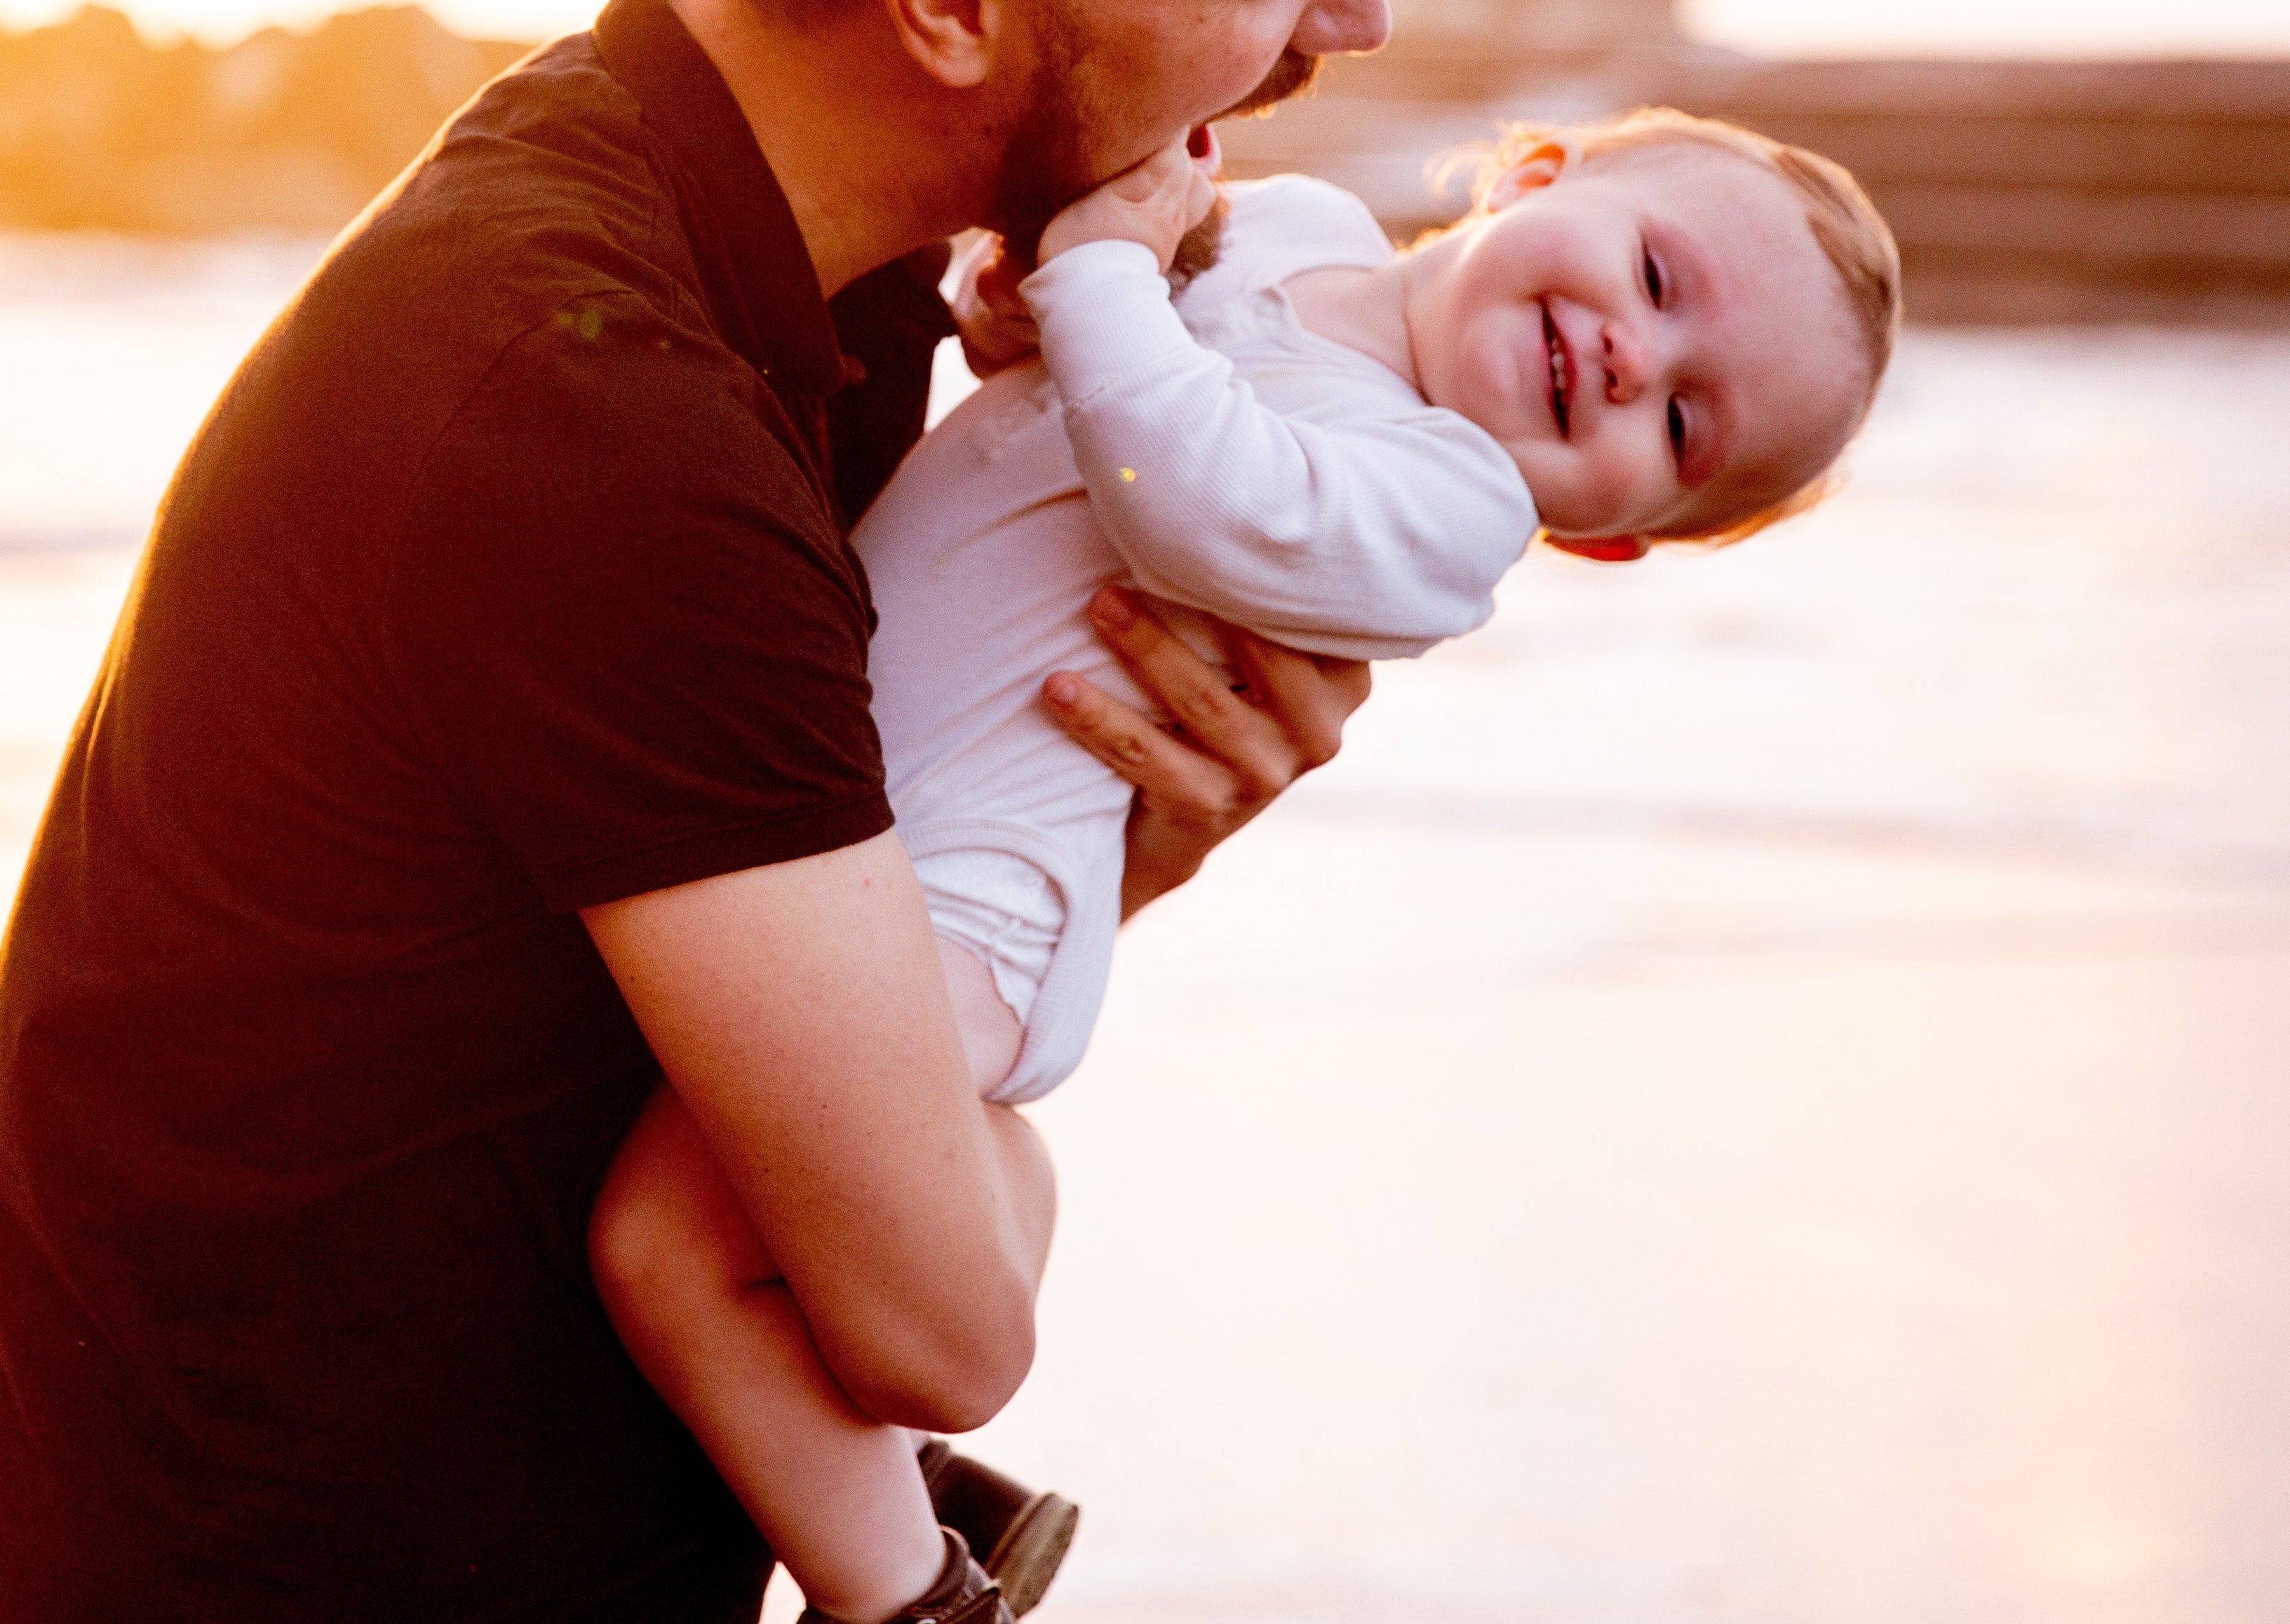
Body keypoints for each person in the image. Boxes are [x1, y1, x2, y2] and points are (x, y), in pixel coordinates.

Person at [0, 0, 1396, 1623]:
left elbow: (757, 962)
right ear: (953, 2)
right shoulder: (588, 405)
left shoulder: (811, 269)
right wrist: (983, 1127)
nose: (1357, 16)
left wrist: (1103, 833)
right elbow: (939, 1326)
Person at [586, 109, 1903, 1618]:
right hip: (852, 817)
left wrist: (1095, 281)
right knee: (771, 1198)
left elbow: (1194, 498)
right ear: (1539, 173)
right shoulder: (1295, 232)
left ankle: (905, 1589)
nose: (1629, 362)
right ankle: (917, 1413)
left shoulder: (1443, 511)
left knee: (666, 1238)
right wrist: (1012, 307)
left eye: (1680, 426)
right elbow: (1060, 390)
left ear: (1604, 544)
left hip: (962, 904)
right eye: (1658, 280)